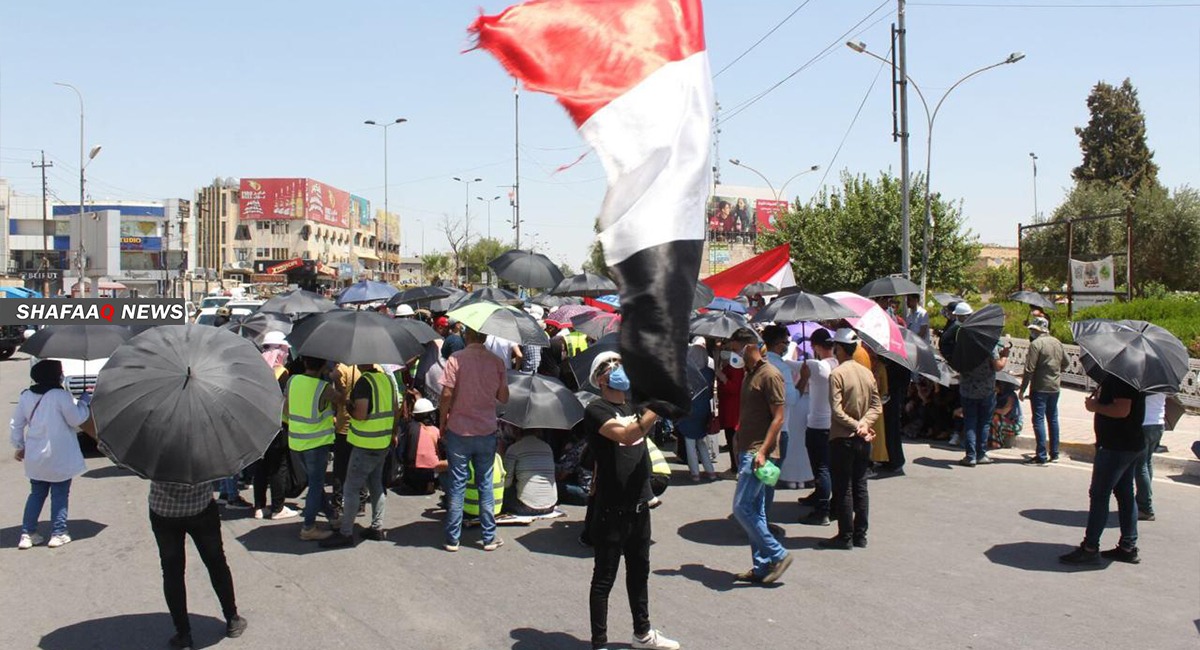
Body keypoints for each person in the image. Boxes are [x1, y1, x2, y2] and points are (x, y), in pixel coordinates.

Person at [584, 351, 680, 650]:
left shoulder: (632, 404)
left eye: (620, 365)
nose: (618, 370)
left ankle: (643, 633)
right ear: (601, 380)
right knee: (604, 579)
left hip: (639, 506)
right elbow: (626, 435)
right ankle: (599, 642)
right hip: (612, 509)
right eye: (610, 368)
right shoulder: (596, 409)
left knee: (639, 574)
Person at [726, 328, 793, 585]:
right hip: (748, 449)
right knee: (757, 511)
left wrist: (763, 452)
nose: (735, 354)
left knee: (741, 508)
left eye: (735, 348)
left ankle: (778, 554)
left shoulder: (771, 375)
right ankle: (761, 567)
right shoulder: (750, 375)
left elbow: (778, 417)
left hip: (759, 453)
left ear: (748, 345)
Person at [148, 480, 247, 650]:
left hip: (163, 510)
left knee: (172, 572)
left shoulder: (154, 452)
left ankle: (183, 634)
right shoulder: (203, 451)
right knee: (216, 563)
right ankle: (232, 618)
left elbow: (141, 468)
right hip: (200, 507)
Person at [1060, 374, 1147, 565]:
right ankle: (1127, 546)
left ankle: (1090, 547)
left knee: (1100, 494)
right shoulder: (1126, 376)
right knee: (1124, 493)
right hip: (1127, 444)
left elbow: (1122, 409)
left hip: (1116, 447)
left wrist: (1095, 407)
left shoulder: (1124, 377)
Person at [440, 326, 510, 552]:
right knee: (485, 483)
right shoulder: (497, 362)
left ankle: (453, 538)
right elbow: (504, 397)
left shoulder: (455, 359)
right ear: (486, 336)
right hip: (486, 429)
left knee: (457, 484)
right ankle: (489, 537)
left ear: (466, 336)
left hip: (459, 429)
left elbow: (446, 394)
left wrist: (442, 421)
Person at [10, 360, 92, 549]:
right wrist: (83, 403)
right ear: (55, 375)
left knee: (36, 493)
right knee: (60, 494)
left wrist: (19, 445)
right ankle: (59, 532)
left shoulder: (26, 395)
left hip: (35, 454)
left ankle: (27, 533)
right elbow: (76, 419)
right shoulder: (60, 396)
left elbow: (16, 424)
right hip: (58, 454)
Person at [321, 363, 400, 547]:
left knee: (351, 488)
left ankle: (346, 533)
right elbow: (396, 409)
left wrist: (349, 406)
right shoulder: (386, 379)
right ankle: (377, 527)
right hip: (382, 441)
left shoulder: (364, 383)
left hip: (366, 444)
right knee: (375, 484)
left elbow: (361, 414)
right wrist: (392, 433)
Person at [821, 328, 882, 550]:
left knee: (844, 487)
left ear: (838, 348)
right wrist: (864, 425)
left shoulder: (837, 374)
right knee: (860, 485)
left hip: (843, 437)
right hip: (862, 438)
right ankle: (860, 534)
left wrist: (858, 426)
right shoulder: (866, 373)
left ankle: (845, 536)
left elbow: (836, 411)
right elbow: (876, 406)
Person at [283, 356, 339, 541]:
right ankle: (308, 527)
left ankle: (331, 516)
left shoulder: (293, 381)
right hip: (317, 443)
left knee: (314, 482)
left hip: (296, 441)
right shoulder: (325, 388)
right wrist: (337, 379)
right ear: (323, 366)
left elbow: (285, 411)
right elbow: (344, 401)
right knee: (316, 485)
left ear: (305, 363)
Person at [954, 303, 1010, 467]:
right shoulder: (987, 342)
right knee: (983, 422)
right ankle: (981, 454)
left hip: (967, 388)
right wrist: (1005, 356)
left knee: (970, 421)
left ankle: (970, 456)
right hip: (986, 389)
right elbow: (998, 366)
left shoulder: (962, 341)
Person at [797, 329, 838, 526]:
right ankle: (821, 497)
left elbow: (791, 365)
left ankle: (822, 510)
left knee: (820, 466)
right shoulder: (837, 364)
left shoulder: (817, 365)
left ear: (816, 346)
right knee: (826, 465)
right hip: (832, 423)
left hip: (817, 424)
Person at [1019, 316, 1066, 465]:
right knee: (1052, 419)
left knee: (1038, 419)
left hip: (1040, 386)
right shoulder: (1056, 342)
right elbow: (1066, 362)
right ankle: (1055, 453)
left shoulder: (1036, 344)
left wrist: (1022, 389)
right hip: (1055, 386)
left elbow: (1029, 369)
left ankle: (1041, 455)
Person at [502, 428, 558, 516]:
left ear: (516, 431)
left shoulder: (514, 448)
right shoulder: (547, 447)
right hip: (550, 505)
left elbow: (506, 483)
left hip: (525, 507)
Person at [402, 399, 447, 495]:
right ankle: (432, 484)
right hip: (431, 470)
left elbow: (402, 449)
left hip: (411, 469)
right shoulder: (436, 430)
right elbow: (443, 451)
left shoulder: (409, 428)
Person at [1134, 392, 1166, 521]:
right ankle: (1143, 499)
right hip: (1158, 423)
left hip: (1144, 423)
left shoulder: (1144, 378)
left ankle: (1145, 507)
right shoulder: (1164, 377)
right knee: (1146, 463)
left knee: (1141, 466)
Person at [714, 342, 745, 475]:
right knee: (730, 437)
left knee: (733, 438)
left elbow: (734, 388)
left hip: (734, 408)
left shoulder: (736, 368)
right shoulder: (728, 366)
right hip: (727, 406)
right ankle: (735, 464)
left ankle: (736, 465)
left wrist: (723, 377)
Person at [990, 380, 1022, 449]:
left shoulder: (1010, 395)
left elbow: (1004, 411)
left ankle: (997, 443)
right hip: (1003, 420)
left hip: (1014, 423)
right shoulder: (997, 395)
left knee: (995, 419)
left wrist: (992, 410)